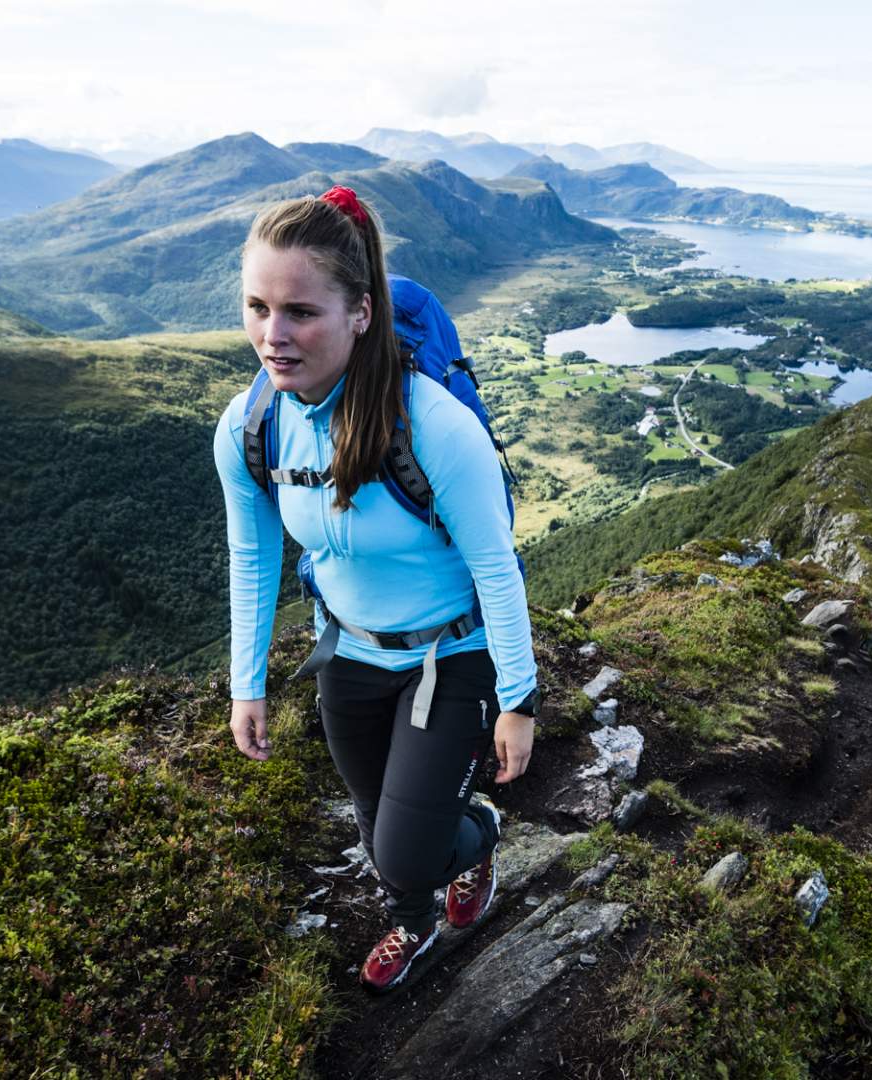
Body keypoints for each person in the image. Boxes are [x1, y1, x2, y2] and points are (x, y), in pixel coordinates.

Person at [213, 186, 539, 994]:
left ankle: (477, 832)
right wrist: (246, 686)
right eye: (258, 307)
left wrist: (518, 700)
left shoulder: (433, 427)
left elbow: (496, 567)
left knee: (406, 847)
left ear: (360, 313)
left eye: (300, 311)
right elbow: (251, 557)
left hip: (452, 656)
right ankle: (415, 920)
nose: (273, 335)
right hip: (349, 654)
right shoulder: (251, 427)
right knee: (374, 824)